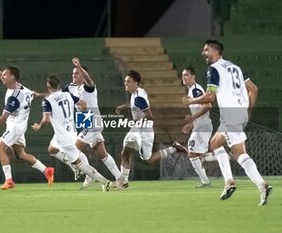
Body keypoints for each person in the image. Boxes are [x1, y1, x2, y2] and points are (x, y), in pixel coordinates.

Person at [182, 39, 272, 206]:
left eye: (206, 50)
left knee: (227, 148)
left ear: (216, 52)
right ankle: (254, 185)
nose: (203, 54)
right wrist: (248, 111)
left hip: (231, 114)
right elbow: (253, 89)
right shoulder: (235, 67)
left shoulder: (214, 69)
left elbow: (210, 97)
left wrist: (190, 101)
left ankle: (238, 183)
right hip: (240, 113)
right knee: (226, 147)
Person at [0, 66, 54, 190]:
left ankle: (9, 180)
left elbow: (3, 118)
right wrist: (4, 77)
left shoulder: (14, 97)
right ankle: (47, 170)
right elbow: (36, 94)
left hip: (15, 127)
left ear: (12, 77)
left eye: (5, 75)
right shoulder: (21, 88)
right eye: (3, 75)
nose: (3, 77)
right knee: (20, 155)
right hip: (19, 125)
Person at [31, 75, 112, 191]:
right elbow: (83, 104)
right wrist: (82, 118)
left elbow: (46, 119)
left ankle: (104, 181)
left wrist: (39, 127)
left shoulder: (47, 101)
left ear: (48, 86)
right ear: (59, 85)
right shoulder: (67, 95)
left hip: (64, 138)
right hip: (70, 131)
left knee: (78, 162)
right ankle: (76, 168)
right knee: (52, 149)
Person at [116, 70, 188, 188]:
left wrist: (134, 122)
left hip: (144, 130)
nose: (126, 84)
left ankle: (174, 148)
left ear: (136, 83)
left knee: (148, 159)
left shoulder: (139, 97)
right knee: (125, 152)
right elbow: (134, 105)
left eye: (128, 81)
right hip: (136, 129)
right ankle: (123, 182)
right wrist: (124, 106)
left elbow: (149, 116)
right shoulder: (136, 93)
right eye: (125, 81)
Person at [60, 57, 125, 188]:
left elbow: (89, 80)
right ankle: (121, 179)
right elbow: (57, 95)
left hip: (93, 123)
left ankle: (90, 175)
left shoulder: (89, 87)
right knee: (102, 154)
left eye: (77, 73)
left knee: (72, 150)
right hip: (85, 121)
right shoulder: (70, 88)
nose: (74, 75)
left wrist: (79, 66)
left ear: (83, 75)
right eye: (73, 73)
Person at [181, 65, 212, 188]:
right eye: (183, 75)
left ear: (193, 76)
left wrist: (192, 118)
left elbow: (208, 105)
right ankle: (205, 180)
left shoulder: (195, 90)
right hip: (201, 125)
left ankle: (205, 181)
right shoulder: (191, 90)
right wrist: (191, 123)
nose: (183, 77)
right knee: (197, 154)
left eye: (186, 75)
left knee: (192, 152)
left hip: (203, 126)